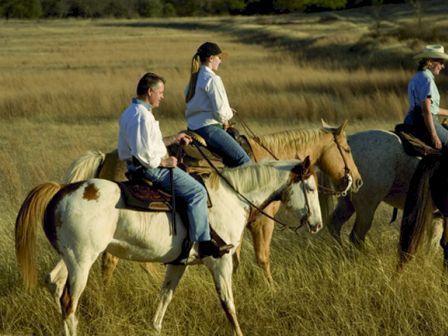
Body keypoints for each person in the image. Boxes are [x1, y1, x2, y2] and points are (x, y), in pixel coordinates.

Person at [117, 72, 233, 258]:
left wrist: (174, 139)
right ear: (150, 91)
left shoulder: (131, 112)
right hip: (151, 170)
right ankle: (202, 243)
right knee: (198, 192)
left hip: (140, 166)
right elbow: (143, 154)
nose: (162, 97)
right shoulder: (142, 117)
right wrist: (164, 162)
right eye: (160, 92)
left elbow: (149, 143)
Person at [185, 42, 251, 167]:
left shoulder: (194, 79)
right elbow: (221, 113)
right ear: (211, 58)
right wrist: (229, 112)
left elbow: (199, 105)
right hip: (209, 129)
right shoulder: (212, 79)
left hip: (193, 128)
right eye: (219, 58)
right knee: (245, 161)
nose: (220, 61)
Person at [403, 44, 448, 150]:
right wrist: (434, 135)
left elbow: (431, 108)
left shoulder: (416, 77)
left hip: (410, 119)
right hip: (424, 122)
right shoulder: (427, 79)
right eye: (441, 62)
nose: (443, 66)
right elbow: (426, 110)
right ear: (429, 62)